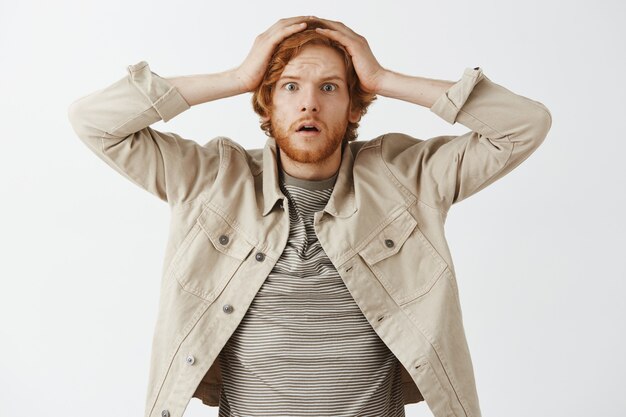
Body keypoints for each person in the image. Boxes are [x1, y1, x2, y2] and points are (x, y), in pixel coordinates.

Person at [67, 16, 552, 417]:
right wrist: (236, 77)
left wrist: (384, 79)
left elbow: (523, 126)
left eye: (330, 87)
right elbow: (95, 121)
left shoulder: (409, 179)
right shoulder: (208, 179)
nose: (309, 102)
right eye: (289, 86)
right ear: (267, 98)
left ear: (353, 104)